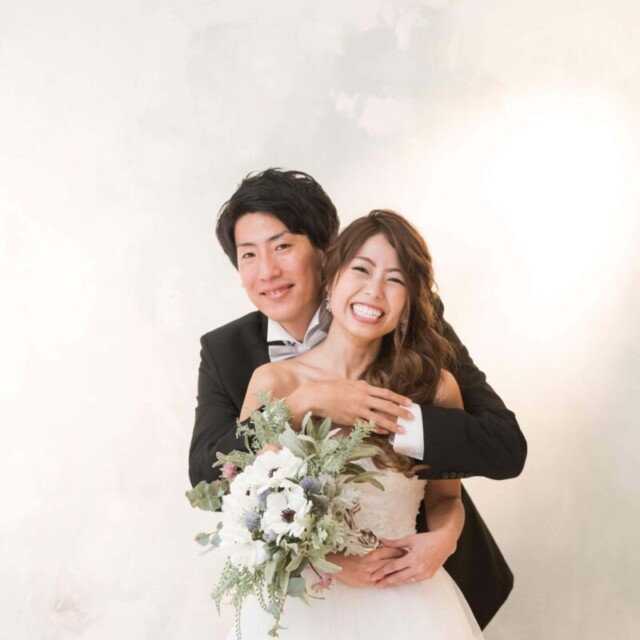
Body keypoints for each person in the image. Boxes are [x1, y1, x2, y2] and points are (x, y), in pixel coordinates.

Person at [189, 168, 526, 628]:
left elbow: (503, 447)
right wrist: (303, 403)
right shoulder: (237, 359)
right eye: (249, 254)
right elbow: (216, 478)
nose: (267, 271)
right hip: (306, 604)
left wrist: (398, 423)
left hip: (413, 581)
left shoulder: (412, 331)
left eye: (282, 246)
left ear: (326, 255)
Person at [231, 210, 483, 638]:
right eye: (361, 270)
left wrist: (445, 539)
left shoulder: (435, 389)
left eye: (395, 279)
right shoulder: (273, 383)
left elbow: (446, 498)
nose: (374, 290)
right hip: (303, 609)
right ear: (331, 281)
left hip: (404, 597)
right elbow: (245, 504)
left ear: (409, 302)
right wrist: (329, 563)